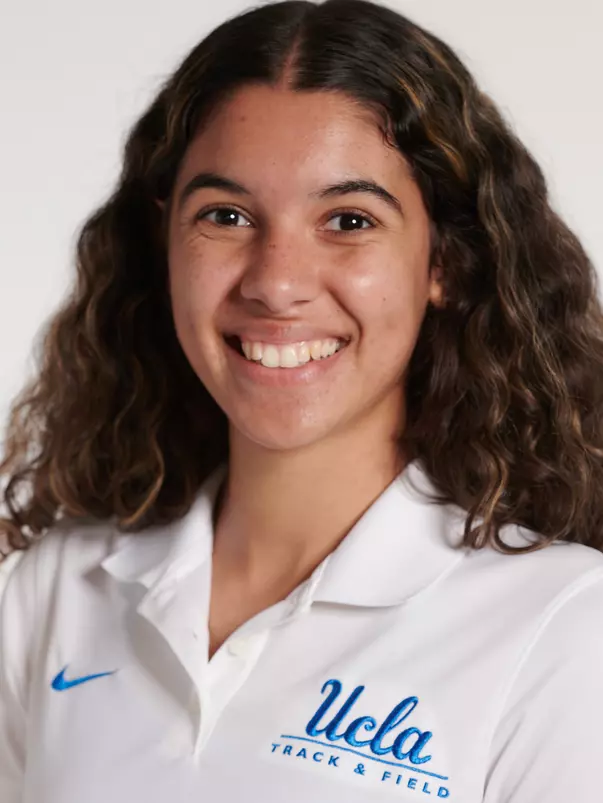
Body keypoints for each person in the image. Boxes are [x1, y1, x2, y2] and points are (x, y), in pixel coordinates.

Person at [1, 0, 603, 800]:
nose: (275, 282)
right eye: (225, 215)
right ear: (164, 243)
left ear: (446, 263)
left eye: (347, 220)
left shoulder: (564, 625)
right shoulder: (54, 590)